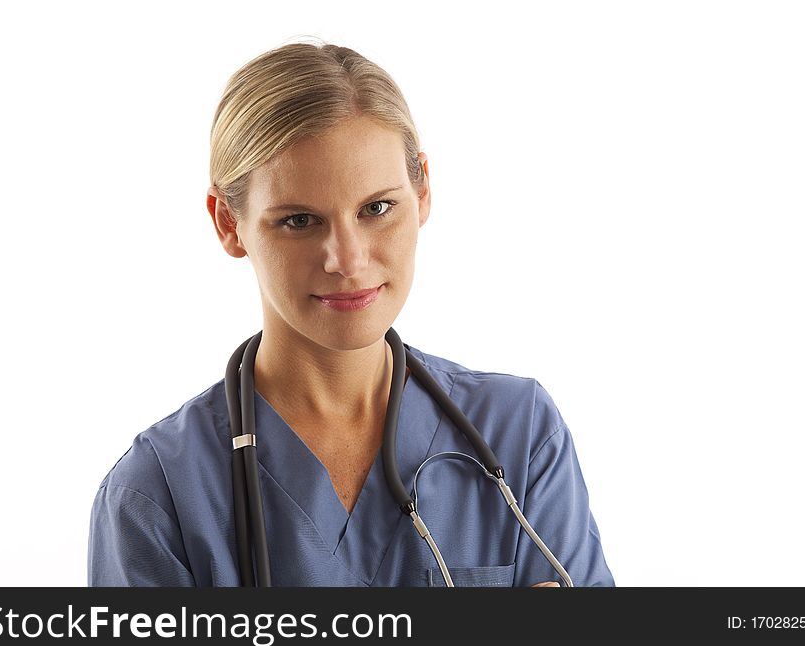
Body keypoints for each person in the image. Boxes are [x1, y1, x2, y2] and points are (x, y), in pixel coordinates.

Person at [87, 39, 615, 587]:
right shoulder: (158, 494)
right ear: (227, 222)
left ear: (423, 190)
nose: (348, 260)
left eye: (377, 208)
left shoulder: (520, 434)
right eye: (298, 221)